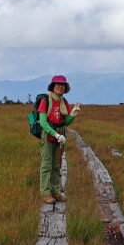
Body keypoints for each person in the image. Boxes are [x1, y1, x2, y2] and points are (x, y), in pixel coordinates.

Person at [38, 75, 81, 204]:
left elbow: (64, 122)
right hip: (48, 134)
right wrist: (55, 134)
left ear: (65, 87)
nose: (60, 86)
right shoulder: (45, 100)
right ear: (53, 86)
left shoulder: (64, 102)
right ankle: (45, 193)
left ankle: (55, 192)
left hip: (60, 134)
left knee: (57, 164)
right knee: (47, 164)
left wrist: (73, 114)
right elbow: (43, 122)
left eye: (62, 85)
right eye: (58, 84)